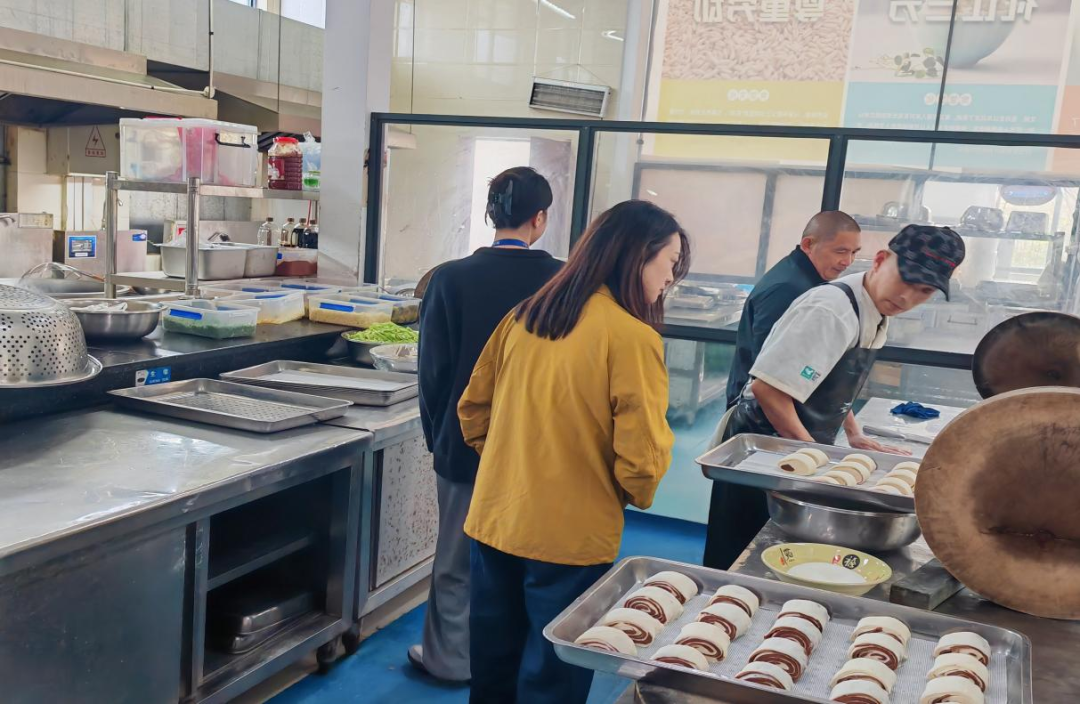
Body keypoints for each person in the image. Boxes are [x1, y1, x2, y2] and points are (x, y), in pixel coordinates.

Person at [458, 200, 690, 704]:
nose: (670, 278)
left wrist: (507, 463)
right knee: (553, 674)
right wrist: (627, 492)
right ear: (637, 255)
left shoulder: (525, 316)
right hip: (571, 533)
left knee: (492, 662)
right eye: (670, 263)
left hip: (495, 518)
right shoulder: (631, 337)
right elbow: (643, 457)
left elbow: (473, 409)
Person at [704, 225, 965, 570]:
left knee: (785, 554)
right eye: (905, 280)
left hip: (799, 441)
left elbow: (831, 380)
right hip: (765, 446)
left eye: (925, 291)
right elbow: (769, 389)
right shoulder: (830, 311)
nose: (907, 297)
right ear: (880, 260)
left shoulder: (874, 308)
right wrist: (815, 456)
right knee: (743, 556)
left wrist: (854, 433)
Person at [411, 167, 564, 683]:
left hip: (463, 445)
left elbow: (432, 370)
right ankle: (517, 661)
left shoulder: (450, 279)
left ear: (489, 215)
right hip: (539, 449)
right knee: (529, 559)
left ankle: (448, 660)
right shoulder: (563, 282)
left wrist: (438, 437)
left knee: (455, 559)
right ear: (540, 218)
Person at [724, 211, 862, 411]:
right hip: (760, 411)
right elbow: (768, 374)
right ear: (808, 245)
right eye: (840, 251)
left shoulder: (808, 279)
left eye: (854, 252)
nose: (848, 261)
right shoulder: (787, 288)